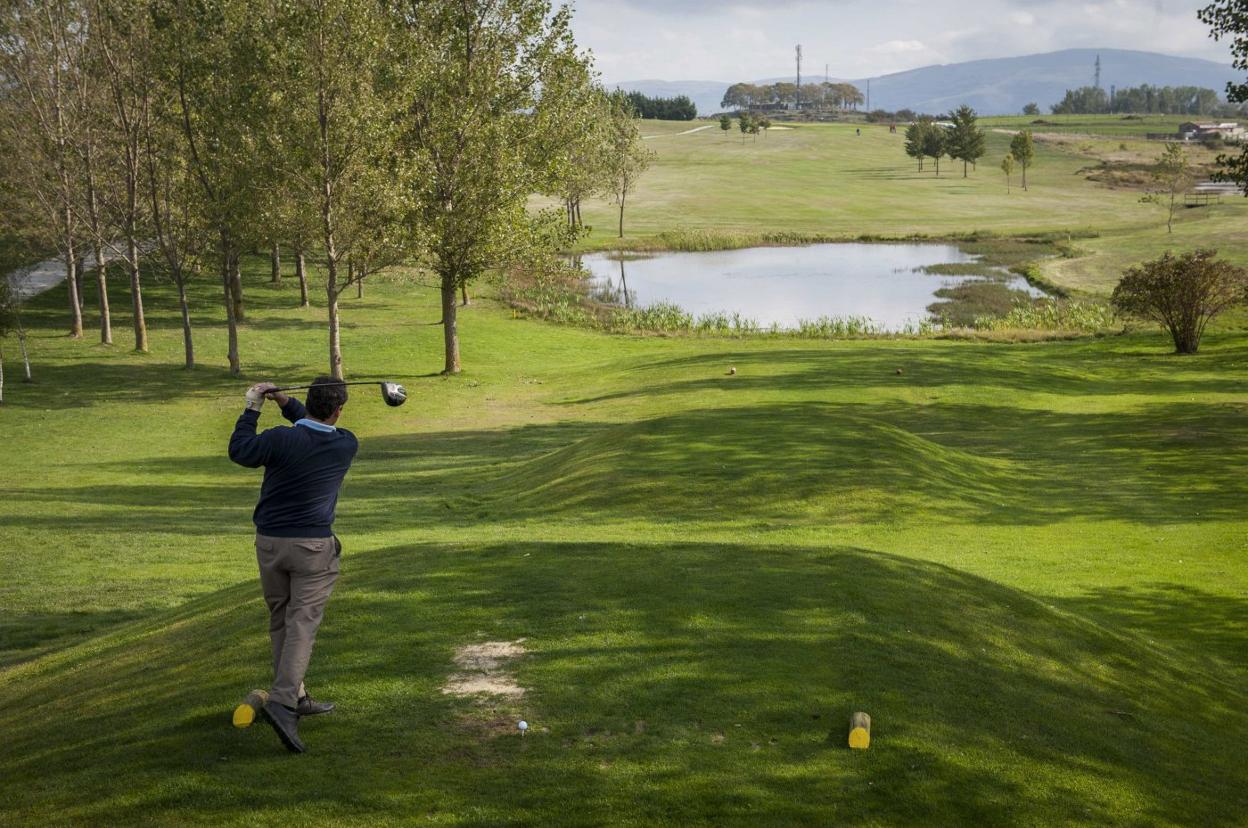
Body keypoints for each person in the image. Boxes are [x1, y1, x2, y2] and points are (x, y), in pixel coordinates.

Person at [228, 376, 359, 753]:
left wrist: (254, 405)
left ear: (308, 401)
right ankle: (284, 703)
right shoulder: (345, 443)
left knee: (281, 618)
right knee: (302, 624)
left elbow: (241, 450)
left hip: (269, 543)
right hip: (312, 548)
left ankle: (297, 697)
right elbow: (314, 424)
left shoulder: (279, 439)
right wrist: (287, 404)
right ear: (338, 410)